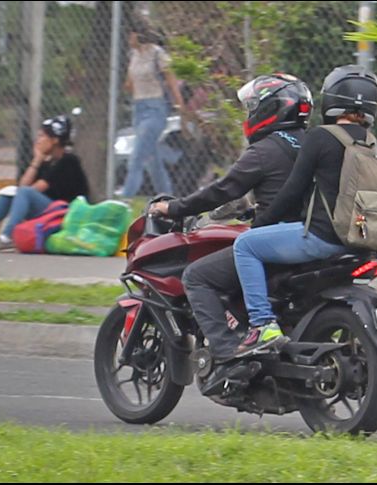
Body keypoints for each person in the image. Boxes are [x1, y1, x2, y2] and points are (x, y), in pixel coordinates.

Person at [149, 73, 313, 363]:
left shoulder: (266, 150)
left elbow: (222, 190)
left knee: (197, 276)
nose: (250, 113)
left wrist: (174, 208)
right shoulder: (313, 144)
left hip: (277, 245)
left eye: (253, 106)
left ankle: (226, 351)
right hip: (311, 237)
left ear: (272, 108)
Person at [231, 65, 377, 357]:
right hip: (358, 239)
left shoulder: (320, 137)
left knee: (246, 246)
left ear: (331, 98)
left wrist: (260, 224)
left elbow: (292, 191)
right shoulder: (371, 142)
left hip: (323, 237)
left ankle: (262, 325)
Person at [0, 115, 90, 252]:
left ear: (54, 140)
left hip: (67, 216)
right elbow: (22, 186)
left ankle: (7, 238)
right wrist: (37, 160)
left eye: (42, 136)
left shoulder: (69, 161)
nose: (38, 141)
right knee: (10, 194)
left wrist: (37, 160)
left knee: (25, 192)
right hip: (50, 212)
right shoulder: (47, 161)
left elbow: (33, 189)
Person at [116, 22, 186, 198]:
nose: (128, 39)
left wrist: (181, 107)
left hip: (155, 110)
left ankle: (124, 201)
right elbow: (129, 83)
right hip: (138, 109)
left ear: (138, 35)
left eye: (130, 34)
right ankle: (169, 198)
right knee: (152, 161)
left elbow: (171, 82)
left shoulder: (157, 54)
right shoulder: (134, 55)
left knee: (136, 158)